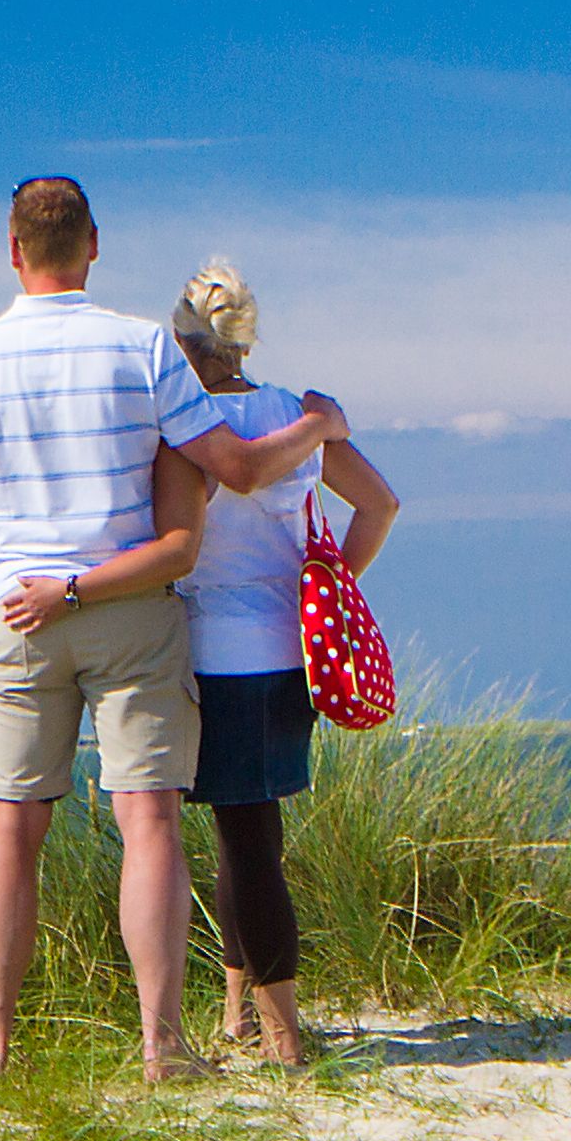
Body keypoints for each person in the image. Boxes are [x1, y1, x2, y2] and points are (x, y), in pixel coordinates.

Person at [0, 176, 340, 1084]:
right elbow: (230, 466)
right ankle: (161, 1046)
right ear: (94, 245)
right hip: (131, 602)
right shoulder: (142, 347)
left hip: (22, 610)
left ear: (11, 250)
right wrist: (317, 424)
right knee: (148, 824)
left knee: (8, 833)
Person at [169, 259, 399, 1067]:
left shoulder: (186, 423)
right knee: (253, 831)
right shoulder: (295, 414)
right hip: (291, 650)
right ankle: (238, 1011)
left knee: (245, 846)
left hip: (211, 652)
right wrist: (323, 590)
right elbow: (379, 504)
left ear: (182, 341)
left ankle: (282, 1036)